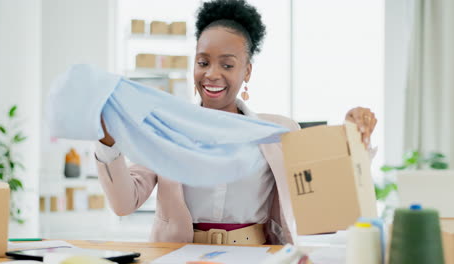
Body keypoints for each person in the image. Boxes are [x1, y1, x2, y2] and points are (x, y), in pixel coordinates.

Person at [95, 0, 377, 245]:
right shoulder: (166, 129)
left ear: (247, 71)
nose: (212, 74)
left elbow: (320, 210)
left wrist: (350, 140)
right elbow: (124, 203)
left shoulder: (279, 133)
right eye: (203, 62)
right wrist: (107, 140)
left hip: (256, 254)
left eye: (227, 65)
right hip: (180, 255)